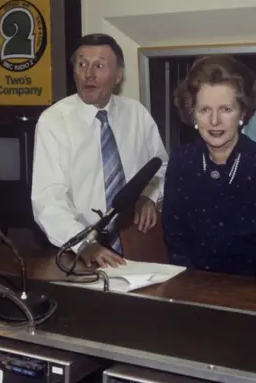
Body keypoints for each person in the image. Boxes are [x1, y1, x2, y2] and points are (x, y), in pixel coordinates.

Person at [31, 33, 168, 268]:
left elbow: (161, 165)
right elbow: (47, 199)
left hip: (137, 246)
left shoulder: (136, 114)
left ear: (118, 75)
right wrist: (85, 243)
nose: (89, 74)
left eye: (99, 65)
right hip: (78, 253)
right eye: (82, 64)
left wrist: (149, 196)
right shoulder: (53, 121)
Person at [162, 55, 256, 283]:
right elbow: (176, 245)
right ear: (193, 114)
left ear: (242, 114)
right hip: (195, 293)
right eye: (205, 110)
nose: (214, 121)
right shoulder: (181, 161)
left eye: (225, 109)